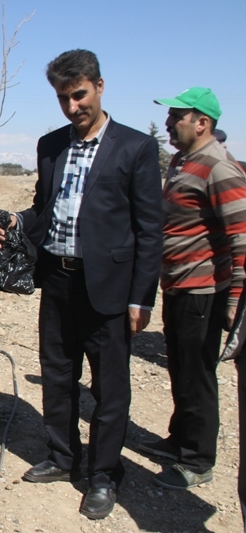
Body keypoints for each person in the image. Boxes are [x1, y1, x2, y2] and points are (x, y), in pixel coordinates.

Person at [0, 49, 162, 519]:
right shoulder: (51, 146)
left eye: (79, 95)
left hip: (107, 290)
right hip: (58, 283)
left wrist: (140, 297)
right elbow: (45, 209)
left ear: (100, 87)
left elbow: (150, 230)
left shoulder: (135, 148)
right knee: (58, 377)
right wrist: (18, 224)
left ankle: (104, 475)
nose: (72, 107)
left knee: (110, 390)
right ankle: (63, 458)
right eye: (63, 99)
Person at [141, 88, 246, 491]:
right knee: (181, 367)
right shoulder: (185, 162)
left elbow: (241, 237)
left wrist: (235, 298)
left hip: (204, 289)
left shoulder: (219, 167)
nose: (169, 123)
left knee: (198, 374)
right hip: (179, 285)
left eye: (177, 117)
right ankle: (180, 439)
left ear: (201, 122)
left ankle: (199, 460)